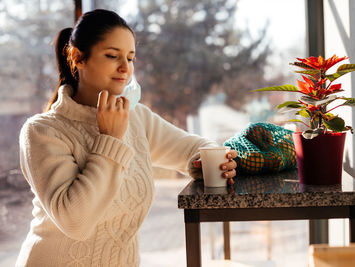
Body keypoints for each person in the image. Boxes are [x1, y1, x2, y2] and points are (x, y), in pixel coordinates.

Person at [16, 9, 238, 267]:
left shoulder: (136, 118)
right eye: (112, 56)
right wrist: (110, 139)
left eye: (131, 58)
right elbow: (76, 222)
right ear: (78, 58)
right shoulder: (42, 131)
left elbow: (196, 147)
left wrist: (207, 162)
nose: (125, 68)